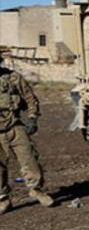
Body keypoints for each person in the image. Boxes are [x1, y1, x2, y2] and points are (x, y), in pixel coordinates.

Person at [0, 56, 54, 214]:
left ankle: (36, 190)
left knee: (29, 159)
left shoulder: (13, 78)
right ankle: (3, 199)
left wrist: (32, 118)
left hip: (15, 125)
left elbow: (30, 98)